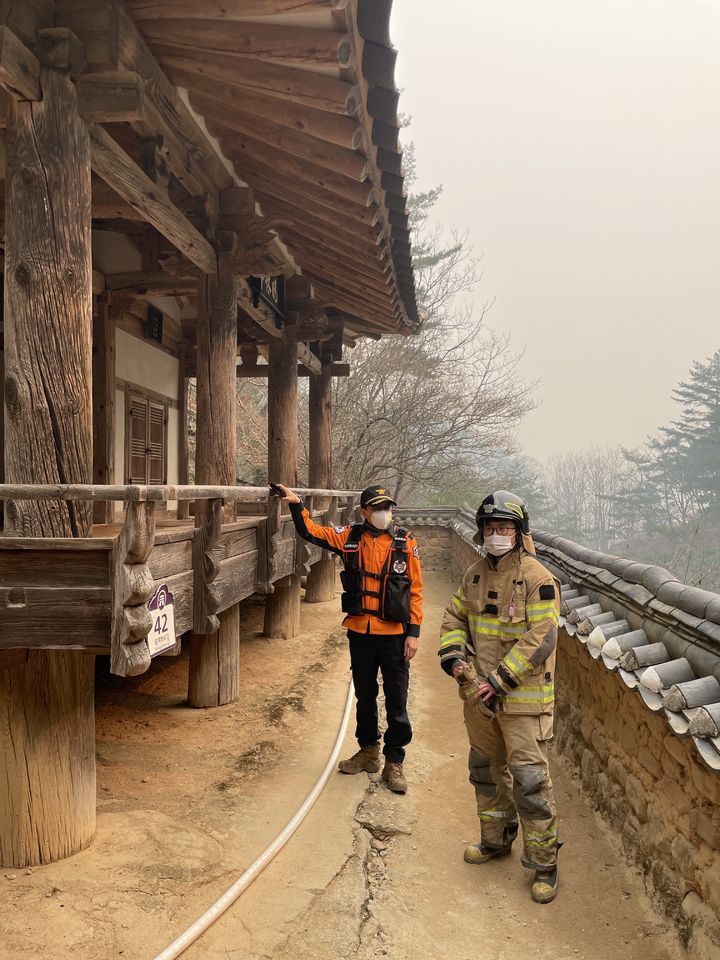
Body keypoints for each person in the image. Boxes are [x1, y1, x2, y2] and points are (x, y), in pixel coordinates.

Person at [438, 490, 561, 903]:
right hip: (479, 695)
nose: (496, 535)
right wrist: (455, 658)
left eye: (505, 528)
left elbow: (542, 637)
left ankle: (544, 864)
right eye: (491, 528)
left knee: (529, 781)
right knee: (486, 770)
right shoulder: (473, 574)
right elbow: (454, 616)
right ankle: (495, 838)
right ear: (481, 531)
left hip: (522, 699)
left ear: (519, 532)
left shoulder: (539, 579)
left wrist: (502, 679)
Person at [274, 483, 423, 794]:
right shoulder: (348, 537)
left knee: (397, 699)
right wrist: (296, 505)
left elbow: (417, 590)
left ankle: (394, 761)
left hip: (394, 635)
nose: (385, 513)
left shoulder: (405, 542)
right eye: (378, 508)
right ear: (364, 511)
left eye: (388, 508)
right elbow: (311, 532)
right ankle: (368, 751)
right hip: (360, 631)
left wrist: (414, 634)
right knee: (364, 696)